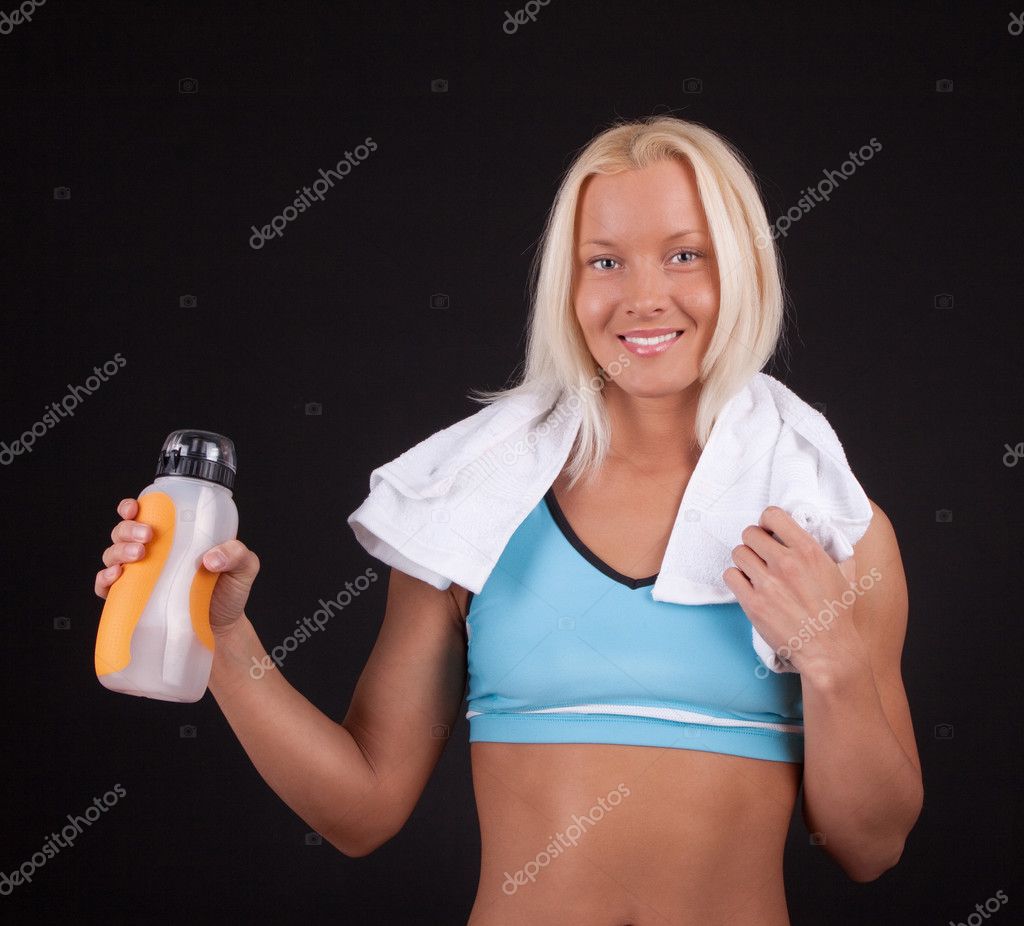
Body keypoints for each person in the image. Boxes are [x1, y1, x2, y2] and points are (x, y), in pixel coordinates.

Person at [94, 115, 923, 926]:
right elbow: (363, 809)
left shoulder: (830, 531)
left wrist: (832, 660)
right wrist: (223, 639)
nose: (642, 297)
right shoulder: (470, 511)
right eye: (604, 261)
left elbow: (870, 847)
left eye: (685, 255)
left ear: (741, 268)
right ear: (567, 284)